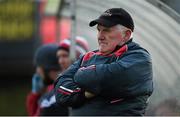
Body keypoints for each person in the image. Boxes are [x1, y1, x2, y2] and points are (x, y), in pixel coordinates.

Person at [55, 8, 153, 116]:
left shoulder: (140, 58)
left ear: (126, 35)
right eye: (99, 30)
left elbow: (88, 77)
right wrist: (86, 93)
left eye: (106, 30)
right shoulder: (88, 56)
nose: (100, 36)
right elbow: (61, 92)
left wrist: (81, 74)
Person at [26, 44, 68, 116]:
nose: (37, 71)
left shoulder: (49, 101)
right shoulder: (61, 88)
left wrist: (34, 95)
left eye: (39, 67)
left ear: (47, 68)